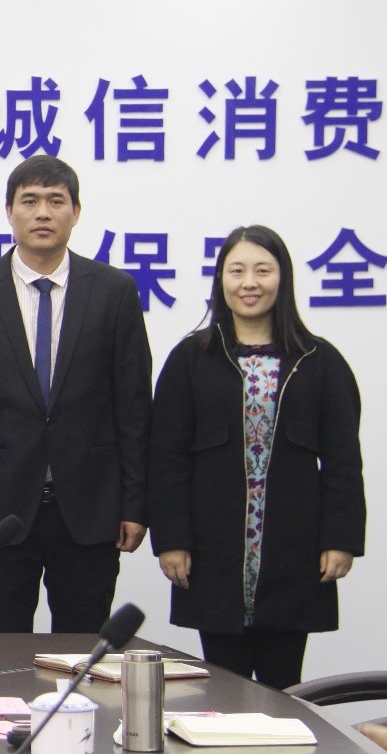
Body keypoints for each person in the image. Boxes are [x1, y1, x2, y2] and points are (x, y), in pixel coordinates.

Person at [0, 154, 151, 633]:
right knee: (3, 648)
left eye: (56, 201)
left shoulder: (114, 291)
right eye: (29, 201)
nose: (42, 213)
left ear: (76, 211)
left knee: (82, 650)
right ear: (9, 211)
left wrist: (135, 504)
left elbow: (133, 406)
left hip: (90, 508)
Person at [148, 225, 364, 690]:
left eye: (263, 271)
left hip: (295, 550)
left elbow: (344, 461)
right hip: (212, 551)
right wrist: (172, 539)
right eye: (237, 271)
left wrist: (341, 538)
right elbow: (166, 459)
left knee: (284, 688)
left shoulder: (318, 361)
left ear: (282, 278)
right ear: (220, 279)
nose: (250, 283)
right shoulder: (191, 358)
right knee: (223, 686)